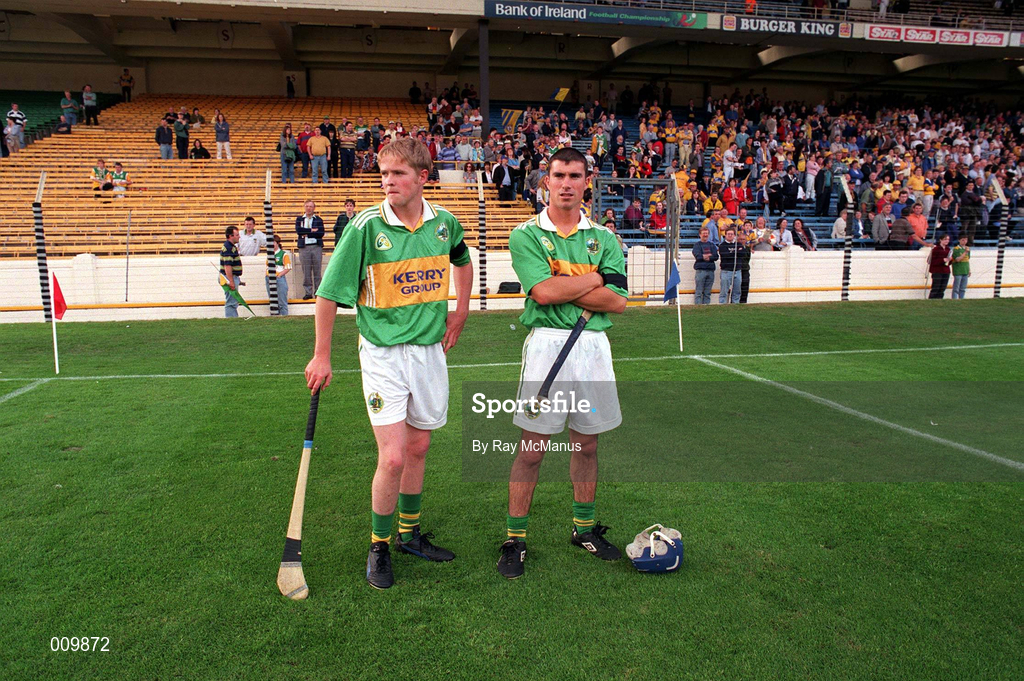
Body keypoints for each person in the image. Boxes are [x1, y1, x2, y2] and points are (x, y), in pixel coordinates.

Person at [305, 137, 473, 590]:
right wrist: (322, 354)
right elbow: (327, 295)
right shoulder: (363, 227)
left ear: (423, 177)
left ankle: (409, 534)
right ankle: (379, 544)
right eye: (383, 174)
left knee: (419, 449)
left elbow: (463, 262)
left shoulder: (446, 224)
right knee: (394, 456)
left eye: (398, 174)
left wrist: (460, 310)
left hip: (429, 353)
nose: (388, 182)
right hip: (382, 354)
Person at [497, 147, 626, 580]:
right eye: (558, 175)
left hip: (592, 347)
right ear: (545, 182)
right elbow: (543, 294)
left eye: (575, 175)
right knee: (532, 449)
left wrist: (564, 282)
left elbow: (619, 301)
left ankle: (584, 528)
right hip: (549, 347)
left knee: (587, 444)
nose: (567, 183)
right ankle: (515, 538)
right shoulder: (526, 234)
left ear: (587, 181)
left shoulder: (605, 237)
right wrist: (595, 278)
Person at [295, 199, 325, 299]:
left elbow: (320, 233)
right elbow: (299, 231)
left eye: (311, 206)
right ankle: (308, 292)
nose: (309, 208)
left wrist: (306, 233)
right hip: (304, 247)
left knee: (317, 270)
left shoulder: (318, 219)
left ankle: (318, 291)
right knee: (306, 270)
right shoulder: (300, 219)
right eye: (307, 206)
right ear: (304, 207)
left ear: (314, 208)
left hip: (316, 247)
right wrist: (312, 231)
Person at [219, 226, 243, 318]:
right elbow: (227, 266)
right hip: (229, 277)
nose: (239, 237)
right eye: (237, 235)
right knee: (231, 302)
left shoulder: (230, 247)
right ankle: (231, 320)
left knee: (233, 301)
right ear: (230, 236)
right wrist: (231, 281)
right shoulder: (229, 248)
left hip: (230, 277)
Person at [692, 226, 718, 305]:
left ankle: (706, 307)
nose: (705, 235)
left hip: (710, 271)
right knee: (699, 291)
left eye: (707, 233)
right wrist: (708, 256)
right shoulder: (697, 245)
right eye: (704, 233)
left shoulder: (712, 245)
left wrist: (705, 256)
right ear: (700, 234)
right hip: (701, 271)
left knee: (707, 292)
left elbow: (716, 256)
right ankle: (698, 307)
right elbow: (698, 256)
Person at [267, 233, 292, 315]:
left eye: (273, 242)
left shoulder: (283, 254)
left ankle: (284, 317)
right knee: (272, 300)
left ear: (277, 243)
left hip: (278, 278)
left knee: (282, 300)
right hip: (269, 278)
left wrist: (279, 275)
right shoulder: (269, 254)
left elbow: (288, 267)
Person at [718, 226, 744, 304]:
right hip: (726, 271)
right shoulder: (722, 246)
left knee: (737, 290)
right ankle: (722, 305)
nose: (730, 235)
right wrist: (735, 253)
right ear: (725, 235)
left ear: (734, 235)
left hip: (737, 271)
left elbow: (742, 253)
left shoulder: (738, 244)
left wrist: (733, 253)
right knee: (724, 291)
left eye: (732, 234)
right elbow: (725, 255)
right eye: (728, 234)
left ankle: (735, 305)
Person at [927, 233, 952, 299]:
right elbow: (931, 261)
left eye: (948, 239)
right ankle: (932, 300)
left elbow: (949, 262)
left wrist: (950, 260)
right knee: (936, 287)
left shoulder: (948, 249)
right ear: (940, 240)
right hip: (937, 271)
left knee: (942, 288)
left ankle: (939, 300)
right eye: (945, 239)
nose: (947, 241)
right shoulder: (936, 249)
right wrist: (942, 260)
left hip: (946, 270)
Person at [951, 234, 970, 300]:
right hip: (958, 270)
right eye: (963, 240)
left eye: (966, 240)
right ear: (959, 240)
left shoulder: (967, 248)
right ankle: (954, 299)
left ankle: (961, 299)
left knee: (963, 288)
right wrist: (965, 252)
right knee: (956, 287)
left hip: (965, 270)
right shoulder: (956, 249)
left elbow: (967, 260)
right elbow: (957, 259)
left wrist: (969, 270)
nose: (964, 241)